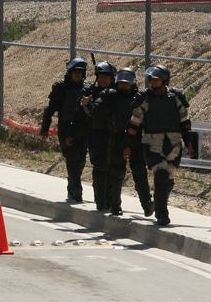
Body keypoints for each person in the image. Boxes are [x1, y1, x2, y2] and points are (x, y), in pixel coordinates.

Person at [126, 65, 193, 226]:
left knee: (167, 180)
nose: (153, 83)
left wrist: (190, 144)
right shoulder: (145, 99)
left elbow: (185, 122)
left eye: (157, 80)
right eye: (152, 80)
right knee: (161, 175)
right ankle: (162, 214)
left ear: (165, 81)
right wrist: (127, 145)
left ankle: (159, 203)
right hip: (152, 144)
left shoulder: (175, 98)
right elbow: (134, 124)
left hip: (174, 144)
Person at [91, 67, 151, 217]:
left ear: (133, 84)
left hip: (136, 140)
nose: (124, 86)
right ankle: (115, 206)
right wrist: (93, 105)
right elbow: (97, 105)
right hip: (117, 138)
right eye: (122, 83)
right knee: (116, 174)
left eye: (127, 84)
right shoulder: (110, 96)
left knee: (140, 173)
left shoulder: (140, 97)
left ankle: (147, 205)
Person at [69, 60, 117, 211]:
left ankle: (112, 201)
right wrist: (72, 133)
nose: (103, 80)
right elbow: (78, 116)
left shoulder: (118, 94)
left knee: (114, 170)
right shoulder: (89, 93)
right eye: (100, 77)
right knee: (99, 168)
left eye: (106, 77)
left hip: (115, 136)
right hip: (96, 136)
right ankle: (100, 201)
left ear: (112, 78)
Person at [40, 57, 88, 204]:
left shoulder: (86, 88)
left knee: (80, 161)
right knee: (72, 159)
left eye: (81, 72)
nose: (78, 75)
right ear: (69, 72)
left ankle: (72, 186)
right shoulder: (61, 88)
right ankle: (76, 191)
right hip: (66, 129)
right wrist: (45, 128)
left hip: (82, 130)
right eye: (75, 72)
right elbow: (49, 110)